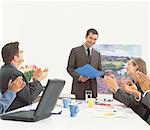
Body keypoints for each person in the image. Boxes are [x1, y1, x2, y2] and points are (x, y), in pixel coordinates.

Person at [0, 42, 48, 111]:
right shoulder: (13, 73)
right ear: (15, 58)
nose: (23, 54)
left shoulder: (5, 70)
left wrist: (35, 80)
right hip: (13, 113)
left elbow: (24, 91)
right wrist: (38, 80)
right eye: (21, 52)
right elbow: (29, 97)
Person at [67, 28, 102, 100]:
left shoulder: (97, 54)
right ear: (86, 37)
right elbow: (70, 68)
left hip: (92, 90)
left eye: (95, 39)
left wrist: (105, 74)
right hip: (79, 89)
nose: (92, 41)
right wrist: (79, 77)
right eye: (90, 38)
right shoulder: (75, 51)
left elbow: (99, 70)